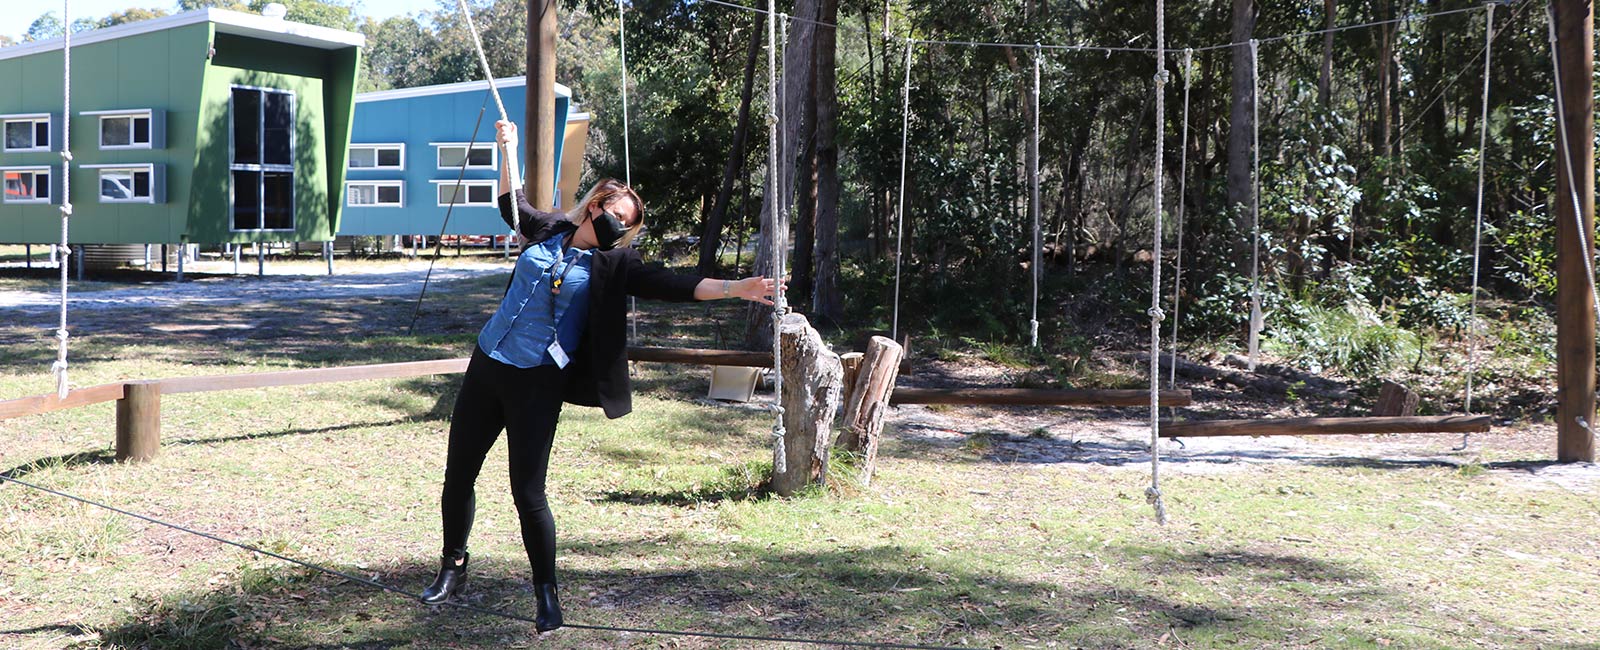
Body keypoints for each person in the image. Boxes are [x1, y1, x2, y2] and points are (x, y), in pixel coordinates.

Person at [420, 120, 779, 632]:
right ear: (595, 206)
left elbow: (675, 284)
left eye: (628, 222)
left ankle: (547, 596)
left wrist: (736, 288)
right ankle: (452, 567)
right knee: (459, 475)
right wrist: (511, 148)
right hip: (488, 364)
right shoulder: (548, 229)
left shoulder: (615, 263)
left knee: (528, 491)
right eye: (617, 214)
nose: (621, 225)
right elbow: (512, 201)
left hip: (538, 382)